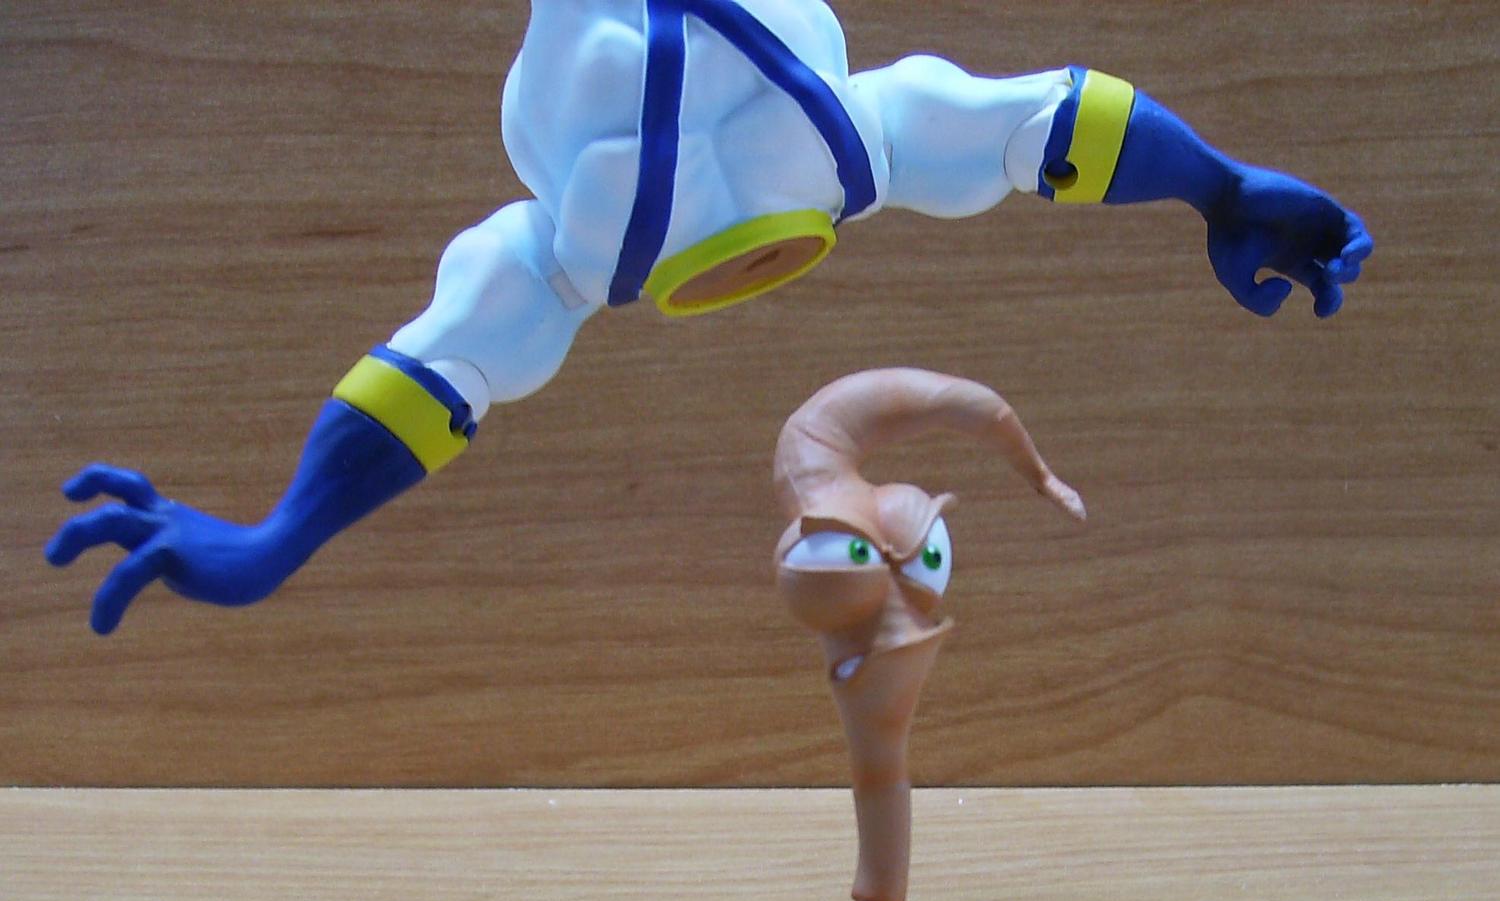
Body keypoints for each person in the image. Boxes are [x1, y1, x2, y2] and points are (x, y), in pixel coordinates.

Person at [47, 0, 1372, 634]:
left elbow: (1028, 120)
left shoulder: (824, 134)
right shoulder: (616, 191)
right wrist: (279, 534)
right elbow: (448, 356)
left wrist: (1217, 187)